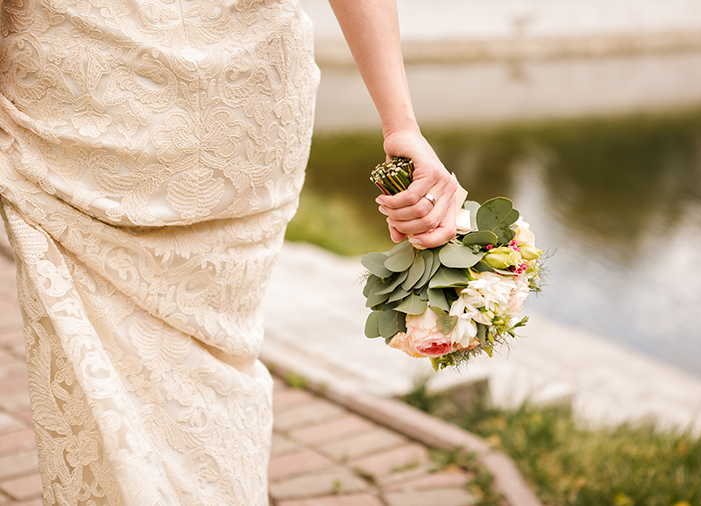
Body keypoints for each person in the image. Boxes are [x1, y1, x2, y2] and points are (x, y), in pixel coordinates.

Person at [0, 0, 456, 503]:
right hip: (242, 112)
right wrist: (400, 124)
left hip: (83, 100)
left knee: (102, 372)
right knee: (220, 360)